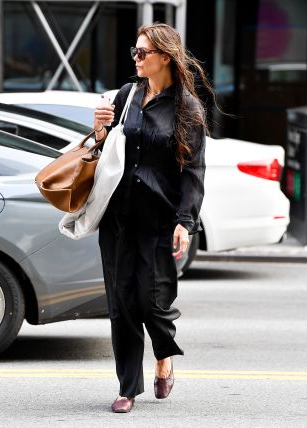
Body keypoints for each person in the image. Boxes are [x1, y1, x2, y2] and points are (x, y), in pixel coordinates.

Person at [93, 22, 212, 413]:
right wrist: (98, 131)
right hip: (117, 218)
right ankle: (128, 387)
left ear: (165, 57)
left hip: (158, 221)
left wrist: (185, 221)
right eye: (135, 51)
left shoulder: (187, 108)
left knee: (153, 301)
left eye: (143, 53)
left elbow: (193, 172)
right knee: (121, 304)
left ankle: (164, 356)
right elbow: (105, 152)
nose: (136, 59)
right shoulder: (127, 96)